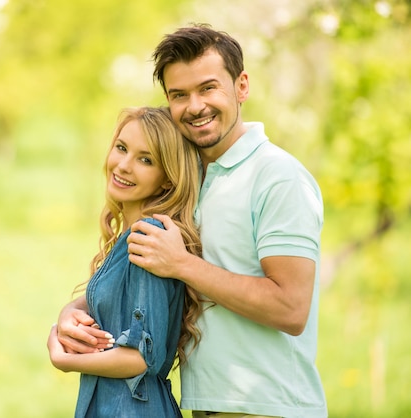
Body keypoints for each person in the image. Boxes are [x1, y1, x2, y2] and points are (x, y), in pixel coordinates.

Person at [57, 24, 328, 418]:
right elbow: (151, 283)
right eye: (178, 95)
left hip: (269, 406)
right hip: (202, 405)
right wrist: (74, 311)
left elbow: (291, 308)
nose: (195, 105)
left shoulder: (278, 177)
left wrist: (184, 264)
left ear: (242, 86)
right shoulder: (189, 179)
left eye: (208, 88)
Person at [47, 106, 203, 417]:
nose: (124, 165)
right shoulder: (129, 236)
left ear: (166, 180)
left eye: (146, 160)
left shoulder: (150, 238)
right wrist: (71, 311)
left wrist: (66, 360)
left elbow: (141, 359)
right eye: (121, 148)